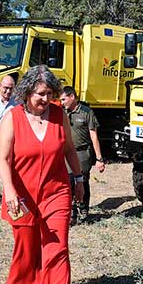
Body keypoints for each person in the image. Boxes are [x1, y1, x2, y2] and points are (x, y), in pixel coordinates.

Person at [0, 65, 84, 284]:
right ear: (26, 93)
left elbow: (69, 148)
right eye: (39, 94)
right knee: (27, 244)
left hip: (56, 192)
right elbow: (4, 158)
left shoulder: (59, 115)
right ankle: (33, 283)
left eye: (49, 93)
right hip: (22, 194)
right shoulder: (13, 117)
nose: (45, 99)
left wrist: (78, 179)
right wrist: (10, 191)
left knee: (58, 248)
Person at [60, 86, 105, 224]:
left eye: (64, 99)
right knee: (68, 182)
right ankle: (72, 212)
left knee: (82, 180)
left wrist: (99, 158)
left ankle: (83, 209)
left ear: (72, 97)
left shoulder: (86, 112)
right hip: (67, 152)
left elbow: (94, 136)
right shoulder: (62, 112)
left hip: (82, 153)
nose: (61, 102)